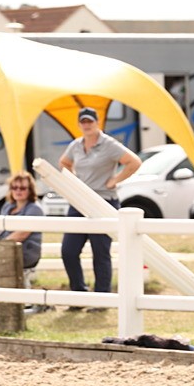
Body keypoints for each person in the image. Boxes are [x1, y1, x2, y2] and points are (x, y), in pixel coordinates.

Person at [59, 107, 142, 308]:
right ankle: (79, 296)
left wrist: (115, 180)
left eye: (90, 121)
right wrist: (74, 181)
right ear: (79, 124)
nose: (87, 125)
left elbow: (134, 162)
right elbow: (63, 162)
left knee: (100, 252)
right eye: (83, 122)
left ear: (98, 123)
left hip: (103, 201)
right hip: (80, 201)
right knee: (68, 251)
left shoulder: (109, 144)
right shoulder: (76, 145)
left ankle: (101, 299)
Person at [0, 172, 46, 309]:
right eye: (14, 187)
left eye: (22, 188)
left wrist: (0, 246)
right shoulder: (7, 207)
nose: (18, 191)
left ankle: (28, 302)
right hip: (6, 248)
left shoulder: (34, 209)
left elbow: (22, 234)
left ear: (30, 190)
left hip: (25, 251)